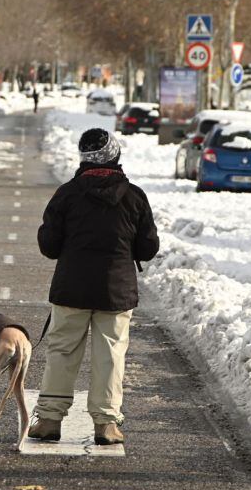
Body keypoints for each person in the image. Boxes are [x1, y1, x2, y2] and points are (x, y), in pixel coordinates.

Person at [28, 128, 160, 445]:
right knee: (110, 356)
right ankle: (106, 424)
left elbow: (49, 245)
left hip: (71, 288)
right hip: (116, 292)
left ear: (84, 158)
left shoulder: (67, 194)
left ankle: (48, 420)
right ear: (115, 156)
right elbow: (148, 248)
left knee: (62, 351)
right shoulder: (134, 197)